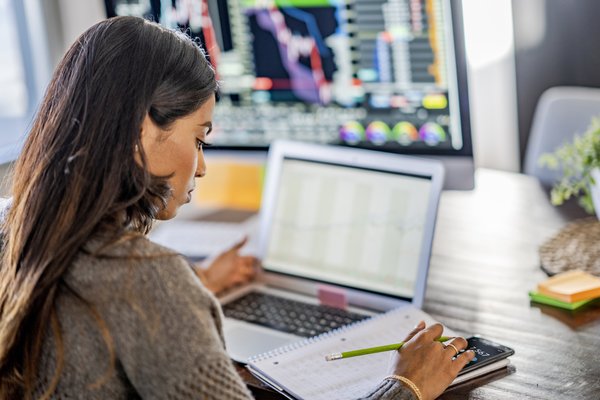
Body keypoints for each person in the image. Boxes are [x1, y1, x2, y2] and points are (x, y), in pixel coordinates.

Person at [0, 16, 474, 400]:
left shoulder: (16, 230)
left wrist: (199, 283)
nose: (201, 166)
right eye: (199, 138)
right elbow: (135, 296)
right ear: (143, 129)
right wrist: (405, 386)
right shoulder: (147, 282)